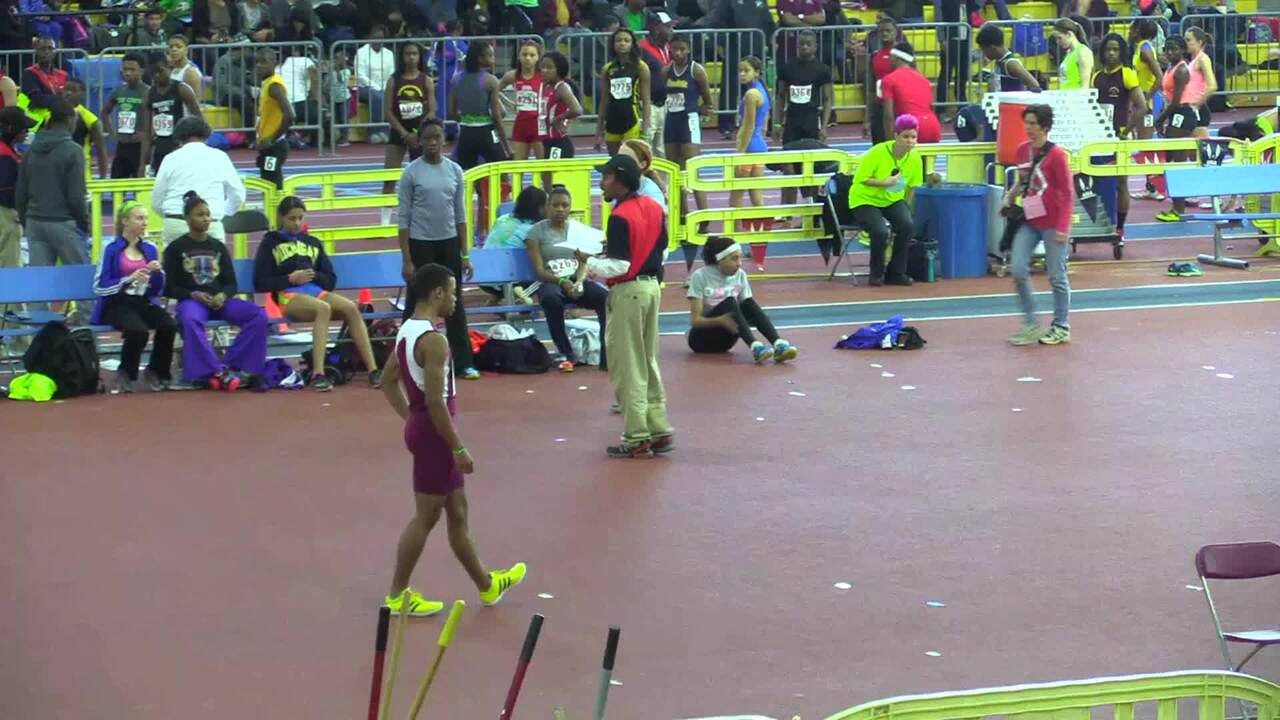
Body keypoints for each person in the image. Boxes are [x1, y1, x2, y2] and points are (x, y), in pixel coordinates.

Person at [379, 262, 528, 616]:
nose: (457, 299)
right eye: (454, 292)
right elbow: (435, 401)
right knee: (426, 516)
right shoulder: (434, 341)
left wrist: (410, 420)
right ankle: (398, 595)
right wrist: (456, 445)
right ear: (437, 293)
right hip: (435, 434)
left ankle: (488, 586)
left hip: (425, 429)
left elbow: (387, 381)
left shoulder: (407, 331)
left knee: (457, 511)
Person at [574, 155, 671, 458]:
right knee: (648, 360)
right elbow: (662, 248)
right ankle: (658, 426)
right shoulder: (655, 208)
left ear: (618, 178)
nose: (601, 183)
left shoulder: (619, 216)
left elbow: (619, 265)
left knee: (628, 364)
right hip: (652, 287)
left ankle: (637, 435)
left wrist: (588, 261)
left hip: (628, 291)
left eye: (604, 177)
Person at [254, 196, 382, 391]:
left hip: (316, 291)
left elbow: (330, 280)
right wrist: (290, 279)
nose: (296, 223)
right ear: (281, 217)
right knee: (323, 309)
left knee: (351, 308)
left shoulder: (313, 242)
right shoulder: (270, 242)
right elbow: (260, 282)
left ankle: (373, 370)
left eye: (300, 218)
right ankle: (318, 373)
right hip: (288, 297)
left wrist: (315, 276)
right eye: (291, 219)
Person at [398, 118, 479, 380]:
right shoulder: (411, 172)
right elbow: (403, 217)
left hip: (449, 242)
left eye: (437, 138)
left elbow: (460, 214)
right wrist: (407, 259)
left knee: (453, 303)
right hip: (421, 243)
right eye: (428, 138)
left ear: (444, 140)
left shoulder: (455, 171)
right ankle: (403, 357)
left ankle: (464, 361)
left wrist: (465, 253)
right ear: (420, 141)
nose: (432, 143)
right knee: (416, 302)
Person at [164, 190, 269, 389]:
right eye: (199, 214)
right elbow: (169, 287)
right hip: (193, 301)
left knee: (259, 316)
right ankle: (205, 372)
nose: (205, 219)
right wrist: (191, 294)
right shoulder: (175, 249)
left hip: (220, 301)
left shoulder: (218, 246)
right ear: (187, 218)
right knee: (189, 319)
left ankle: (232, 365)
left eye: (207, 214)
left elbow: (231, 283)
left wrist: (223, 294)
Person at [1003, 104, 1074, 346]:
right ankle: (1031, 322)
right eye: (1027, 123)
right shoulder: (1022, 151)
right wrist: (1010, 195)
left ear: (1045, 126)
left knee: (1057, 276)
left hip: (1053, 222)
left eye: (1034, 123)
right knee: (1018, 268)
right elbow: (1023, 179)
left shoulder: (1057, 156)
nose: (1029, 128)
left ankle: (1061, 325)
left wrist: (1064, 227)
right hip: (1030, 220)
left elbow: (1066, 193)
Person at [16, 96, 90, 314]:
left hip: (35, 222)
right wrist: (84, 224)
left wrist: (26, 221)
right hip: (64, 222)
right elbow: (76, 196)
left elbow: (21, 192)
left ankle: (38, 334)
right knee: (81, 278)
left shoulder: (30, 151)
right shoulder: (73, 151)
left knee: (38, 285)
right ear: (70, 120)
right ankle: (85, 333)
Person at [92, 201, 175, 393]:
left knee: (169, 324)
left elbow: (157, 290)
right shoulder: (111, 249)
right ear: (125, 221)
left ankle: (156, 370)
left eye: (146, 218)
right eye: (139, 218)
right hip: (116, 304)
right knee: (138, 330)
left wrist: (158, 274)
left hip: (142, 302)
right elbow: (98, 286)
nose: (144, 222)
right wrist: (127, 279)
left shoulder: (150, 248)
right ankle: (125, 373)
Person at [525, 185, 609, 372]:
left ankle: (606, 355)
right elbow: (539, 270)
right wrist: (562, 281)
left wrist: (579, 281)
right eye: (556, 205)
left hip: (577, 280)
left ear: (570, 208)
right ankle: (566, 353)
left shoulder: (578, 231)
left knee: (605, 299)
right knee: (551, 300)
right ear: (547, 207)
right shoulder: (535, 233)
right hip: (551, 282)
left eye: (565, 205)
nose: (560, 209)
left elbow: (583, 262)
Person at [686, 235, 798, 363]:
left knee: (748, 302)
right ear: (720, 259)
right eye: (734, 259)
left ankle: (778, 343)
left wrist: (739, 319)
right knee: (730, 302)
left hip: (726, 341)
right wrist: (719, 320)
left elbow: (750, 309)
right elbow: (695, 321)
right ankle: (755, 346)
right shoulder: (700, 276)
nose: (739, 264)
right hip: (701, 340)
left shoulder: (740, 275)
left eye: (740, 258)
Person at [848, 114, 923, 287]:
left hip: (892, 199)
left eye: (913, 137)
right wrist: (884, 183)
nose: (910, 141)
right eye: (905, 137)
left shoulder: (915, 158)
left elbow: (912, 186)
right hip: (865, 199)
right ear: (896, 136)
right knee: (880, 232)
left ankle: (896, 272)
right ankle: (876, 273)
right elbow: (861, 179)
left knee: (907, 225)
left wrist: (906, 208)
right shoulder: (877, 152)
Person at [151, 116, 245, 243]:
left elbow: (157, 200)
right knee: (215, 262)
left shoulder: (170, 159)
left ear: (179, 136)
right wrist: (221, 211)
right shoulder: (220, 157)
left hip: (176, 223)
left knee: (174, 262)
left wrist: (172, 215)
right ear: (206, 135)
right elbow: (238, 194)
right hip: (210, 224)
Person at [1092, 33, 1144, 236]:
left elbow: (1141, 108)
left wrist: (1127, 132)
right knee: (1098, 180)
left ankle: (1120, 227)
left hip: (1120, 137)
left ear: (1122, 52)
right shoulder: (1097, 77)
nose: (1112, 53)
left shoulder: (1127, 74)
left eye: (1116, 49)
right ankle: (1100, 222)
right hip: (1099, 138)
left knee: (1121, 184)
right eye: (1108, 49)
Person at [661, 33, 711, 223]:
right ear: (670, 50)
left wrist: (699, 110)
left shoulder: (696, 70)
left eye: (682, 49)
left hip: (689, 121)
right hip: (672, 122)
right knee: (675, 170)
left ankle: (704, 216)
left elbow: (708, 100)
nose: (678, 53)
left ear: (688, 50)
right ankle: (682, 214)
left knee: (692, 168)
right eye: (675, 49)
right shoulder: (666, 72)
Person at [1154, 36, 1199, 223]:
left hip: (1182, 115)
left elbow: (1176, 101)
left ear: (1182, 50)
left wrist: (1160, 119)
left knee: (1177, 162)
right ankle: (1177, 205)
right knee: (1172, 159)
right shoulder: (1170, 68)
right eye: (1167, 49)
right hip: (1175, 115)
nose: (1170, 52)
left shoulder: (1181, 70)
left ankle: (1179, 210)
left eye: (1174, 49)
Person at [382, 41, 435, 195]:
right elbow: (388, 111)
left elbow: (432, 110)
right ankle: (385, 218)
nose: (411, 58)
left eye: (414, 54)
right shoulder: (394, 81)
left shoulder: (426, 80)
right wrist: (404, 134)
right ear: (402, 57)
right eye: (407, 54)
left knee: (421, 180)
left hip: (420, 134)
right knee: (389, 178)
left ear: (419, 57)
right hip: (399, 132)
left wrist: (417, 133)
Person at [448, 41, 509, 170]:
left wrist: (467, 120)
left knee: (469, 173)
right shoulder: (491, 80)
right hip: (486, 132)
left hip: (465, 133)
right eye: (491, 55)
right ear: (481, 58)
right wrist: (507, 146)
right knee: (500, 171)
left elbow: (452, 113)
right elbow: (497, 117)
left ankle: (478, 191)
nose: (494, 59)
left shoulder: (456, 79)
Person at [140, 52, 202, 177]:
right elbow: (146, 133)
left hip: (179, 145)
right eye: (153, 73)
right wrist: (142, 164)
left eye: (160, 71)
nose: (157, 76)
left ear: (169, 68)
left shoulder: (182, 89)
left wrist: (198, 148)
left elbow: (199, 120)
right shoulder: (149, 94)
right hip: (159, 148)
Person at [594, 28, 650, 155]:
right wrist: (598, 133)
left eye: (626, 40)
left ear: (632, 44)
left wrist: (645, 131)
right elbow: (604, 100)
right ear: (613, 44)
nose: (622, 43)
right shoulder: (608, 69)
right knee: (615, 160)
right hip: (612, 120)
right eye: (618, 40)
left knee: (630, 159)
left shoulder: (641, 67)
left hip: (631, 119)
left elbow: (646, 101)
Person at [730, 57, 770, 233]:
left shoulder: (751, 94)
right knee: (756, 194)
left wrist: (740, 152)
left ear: (757, 72)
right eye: (740, 71)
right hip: (759, 146)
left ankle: (734, 235)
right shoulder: (761, 91)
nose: (742, 74)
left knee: (736, 195)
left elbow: (748, 126)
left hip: (749, 147)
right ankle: (760, 237)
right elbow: (763, 122)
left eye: (746, 71)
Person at [775, 30, 833, 147]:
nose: (804, 47)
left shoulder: (823, 70)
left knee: (811, 158)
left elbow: (827, 99)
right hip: (792, 120)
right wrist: (777, 124)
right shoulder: (787, 68)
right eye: (801, 44)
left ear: (815, 47)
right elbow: (781, 97)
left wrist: (824, 127)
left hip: (811, 120)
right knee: (789, 157)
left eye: (808, 44)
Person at [1129, 19, 1164, 201]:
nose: (1128, 32)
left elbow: (1160, 76)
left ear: (1138, 30)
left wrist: (1148, 99)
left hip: (1148, 101)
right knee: (1143, 145)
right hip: (1142, 99)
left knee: (1146, 145)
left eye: (1131, 29)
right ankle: (1150, 187)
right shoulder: (1142, 47)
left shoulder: (1144, 50)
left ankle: (1156, 187)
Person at [881, 43, 942, 144]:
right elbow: (930, 106)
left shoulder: (889, 79)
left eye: (890, 56)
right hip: (932, 125)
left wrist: (889, 142)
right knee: (927, 160)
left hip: (910, 126)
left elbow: (888, 115)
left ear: (896, 58)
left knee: (905, 159)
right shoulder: (923, 79)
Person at [101, 53, 149, 180]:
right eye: (125, 69)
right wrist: (112, 133)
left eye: (132, 70)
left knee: (140, 184)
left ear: (142, 71)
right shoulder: (119, 91)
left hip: (141, 147)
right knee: (116, 182)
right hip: (122, 146)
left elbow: (158, 115)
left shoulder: (148, 92)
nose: (127, 73)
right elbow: (105, 112)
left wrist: (148, 134)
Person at [254, 47, 294, 189]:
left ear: (274, 63)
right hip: (267, 145)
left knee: (273, 183)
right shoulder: (266, 84)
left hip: (274, 146)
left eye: (264, 62)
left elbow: (290, 115)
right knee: (267, 181)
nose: (259, 65)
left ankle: (277, 210)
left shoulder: (274, 86)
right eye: (257, 62)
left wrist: (272, 138)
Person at [498, 40, 544, 163]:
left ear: (538, 58)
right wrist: (509, 103)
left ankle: (546, 183)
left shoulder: (543, 76)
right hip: (521, 124)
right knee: (518, 167)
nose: (527, 58)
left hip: (539, 125)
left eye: (532, 55)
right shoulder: (512, 75)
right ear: (519, 56)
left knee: (544, 166)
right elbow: (494, 90)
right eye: (524, 54)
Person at [637, 10, 673, 158]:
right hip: (648, 105)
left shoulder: (668, 48)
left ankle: (661, 181)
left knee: (660, 149)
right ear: (657, 28)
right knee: (646, 147)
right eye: (668, 27)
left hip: (663, 104)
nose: (672, 30)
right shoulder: (642, 48)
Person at [355, 24, 396, 144]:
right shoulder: (361, 52)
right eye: (376, 37)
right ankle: (374, 131)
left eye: (381, 38)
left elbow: (391, 74)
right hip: (364, 87)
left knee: (389, 95)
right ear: (370, 37)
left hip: (385, 87)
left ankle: (387, 132)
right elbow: (360, 75)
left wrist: (385, 87)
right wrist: (378, 88)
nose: (378, 40)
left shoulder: (389, 53)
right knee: (378, 96)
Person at [538, 51, 582, 161]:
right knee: (545, 176)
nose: (544, 70)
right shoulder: (547, 87)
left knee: (555, 177)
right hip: (546, 141)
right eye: (542, 67)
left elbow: (577, 109)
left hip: (558, 143)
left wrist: (559, 118)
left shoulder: (562, 87)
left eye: (549, 67)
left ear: (559, 69)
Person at [63, 78, 109, 181]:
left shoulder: (90, 120)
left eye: (74, 90)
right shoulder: (52, 115)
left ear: (82, 94)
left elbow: (101, 151)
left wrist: (102, 179)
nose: (68, 93)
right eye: (66, 89)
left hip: (81, 176)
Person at [976, 23, 1040, 93]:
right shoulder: (1000, 60)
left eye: (983, 50)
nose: (983, 54)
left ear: (993, 48)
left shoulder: (1011, 64)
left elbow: (1035, 85)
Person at [21, 37, 68, 131]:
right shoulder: (29, 73)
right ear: (36, 52)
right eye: (43, 49)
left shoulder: (63, 75)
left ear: (55, 51)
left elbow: (71, 98)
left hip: (62, 117)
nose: (46, 52)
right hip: (38, 120)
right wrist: (60, 98)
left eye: (50, 48)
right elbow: (38, 100)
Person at [1183, 26, 1216, 142]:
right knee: (1191, 152)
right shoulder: (1191, 60)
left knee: (1202, 152)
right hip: (1189, 109)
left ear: (1199, 42)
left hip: (1198, 111)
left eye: (1188, 40)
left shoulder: (1203, 59)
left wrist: (1197, 104)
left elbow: (1212, 85)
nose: (1185, 43)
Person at [1053, 17, 1093, 90]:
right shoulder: (1069, 53)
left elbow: (1085, 85)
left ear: (1069, 34)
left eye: (1059, 38)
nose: (1057, 42)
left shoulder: (1083, 52)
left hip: (1075, 98)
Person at [166, 35, 204, 100]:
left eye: (178, 47)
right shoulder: (172, 69)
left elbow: (196, 101)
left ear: (186, 50)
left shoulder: (191, 72)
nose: (174, 49)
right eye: (171, 47)